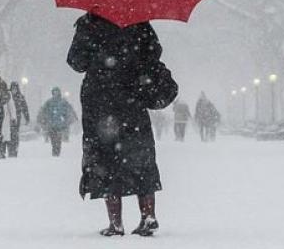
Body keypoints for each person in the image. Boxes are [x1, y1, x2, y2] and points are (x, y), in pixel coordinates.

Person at [67, 13, 178, 237]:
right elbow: (154, 53)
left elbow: (76, 62)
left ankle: (115, 223)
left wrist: (99, 52)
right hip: (132, 100)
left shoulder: (90, 22)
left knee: (105, 161)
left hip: (101, 103)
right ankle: (148, 215)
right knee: (140, 158)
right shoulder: (139, 21)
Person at [36, 87, 77, 156]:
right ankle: (55, 152)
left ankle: (57, 152)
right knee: (53, 140)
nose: (55, 93)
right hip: (51, 125)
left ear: (59, 92)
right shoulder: (49, 102)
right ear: (52, 93)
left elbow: (69, 110)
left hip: (60, 125)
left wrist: (72, 118)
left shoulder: (63, 102)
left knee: (58, 140)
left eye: (56, 92)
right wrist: (41, 119)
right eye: (54, 92)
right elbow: (43, 111)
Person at [5, 81, 30, 157]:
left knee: (15, 136)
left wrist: (27, 118)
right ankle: (10, 150)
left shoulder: (20, 97)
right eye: (13, 88)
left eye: (15, 88)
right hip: (8, 119)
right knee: (9, 135)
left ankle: (14, 150)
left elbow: (25, 108)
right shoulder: (7, 96)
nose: (14, 90)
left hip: (17, 120)